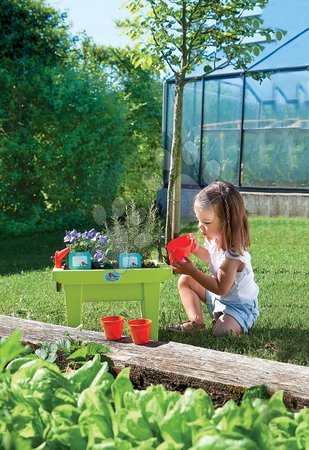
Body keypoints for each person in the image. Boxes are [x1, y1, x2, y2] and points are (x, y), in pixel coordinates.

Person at [171, 181, 259, 336]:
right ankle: (196, 321)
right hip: (218, 299)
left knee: (221, 332)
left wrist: (193, 270)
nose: (200, 226)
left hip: (239, 307)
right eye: (199, 219)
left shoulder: (234, 255)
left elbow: (220, 286)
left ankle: (233, 321)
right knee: (185, 281)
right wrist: (196, 249)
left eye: (206, 222)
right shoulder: (215, 239)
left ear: (226, 222)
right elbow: (212, 258)